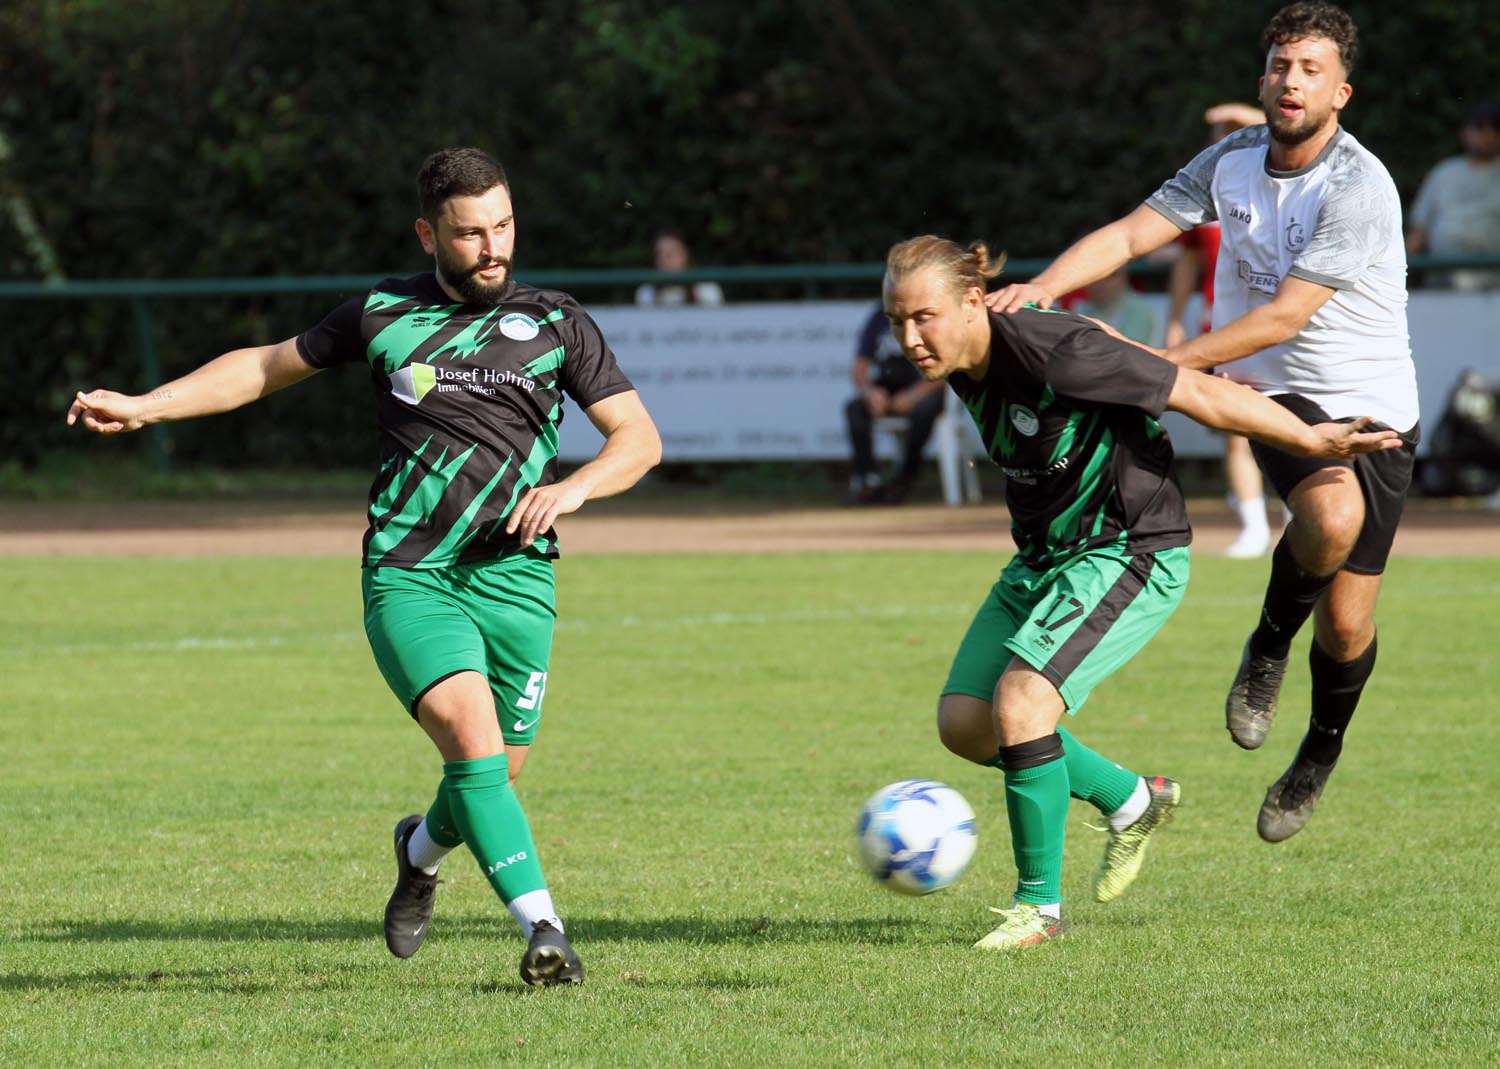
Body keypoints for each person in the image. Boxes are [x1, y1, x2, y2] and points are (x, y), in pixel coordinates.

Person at [66, 147, 662, 986]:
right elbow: (266, 367)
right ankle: (546, 930)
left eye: (502, 227)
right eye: (469, 234)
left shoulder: (558, 322)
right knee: (469, 738)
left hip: (520, 579)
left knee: (493, 772)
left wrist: (576, 489)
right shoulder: (382, 315)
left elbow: (639, 439)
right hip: (410, 572)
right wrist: (144, 404)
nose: (492, 247)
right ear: (429, 234)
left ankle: (418, 853)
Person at [883, 235, 1398, 949]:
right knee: (965, 724)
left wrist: (1315, 441)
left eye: (923, 317)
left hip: (1126, 549)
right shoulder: (963, 357)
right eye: (897, 321)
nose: (910, 338)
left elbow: (1195, 389)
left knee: (1021, 702)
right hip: (1044, 559)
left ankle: (1039, 909)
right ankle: (1132, 798)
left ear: (973, 302)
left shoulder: (1056, 349)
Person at [988, 2, 1419, 844]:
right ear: (1262, 78)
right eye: (1280, 66)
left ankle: (1318, 754)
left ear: (1342, 93)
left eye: (1310, 71)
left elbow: (1283, 316)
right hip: (1267, 392)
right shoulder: (1230, 160)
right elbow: (1130, 232)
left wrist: (1157, 364)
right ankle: (1265, 648)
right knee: (1330, 517)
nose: (1291, 82)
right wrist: (1039, 290)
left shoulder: (1358, 186)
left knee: (1347, 623)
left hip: (1372, 405)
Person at [1165, 104, 1277, 560]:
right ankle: (1254, 525)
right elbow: (1187, 265)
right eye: (1219, 130)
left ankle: (1298, 520)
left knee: (1295, 423)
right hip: (1222, 329)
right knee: (1236, 429)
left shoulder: (1277, 180)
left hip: (1279, 325)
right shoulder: (1208, 190)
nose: (1224, 136)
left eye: (1234, 129)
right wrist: (1175, 319)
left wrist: (1244, 114)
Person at [845, 302, 948, 503]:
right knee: (854, 409)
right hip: (888, 389)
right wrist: (870, 392)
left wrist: (915, 394)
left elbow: (949, 366)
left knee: (925, 410)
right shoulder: (878, 315)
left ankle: (904, 479)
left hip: (925, 387)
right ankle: (868, 479)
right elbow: (860, 366)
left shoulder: (932, 312)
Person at [1406, 101, 1500, 292]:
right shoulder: (1444, 173)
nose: (1487, 135)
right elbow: (1418, 234)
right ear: (1465, 133)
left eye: (1495, 128)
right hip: (1443, 286)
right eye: (1480, 127)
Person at [634, 229, 725, 307]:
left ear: (685, 255)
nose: (664, 259)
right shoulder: (646, 292)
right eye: (659, 254)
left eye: (671, 253)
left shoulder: (707, 290)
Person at [1076, 266, 1160, 346]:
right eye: (1094, 277)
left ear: (1123, 277)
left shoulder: (1138, 309)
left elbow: (1131, 353)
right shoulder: (1081, 309)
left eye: (1110, 276)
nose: (1100, 282)